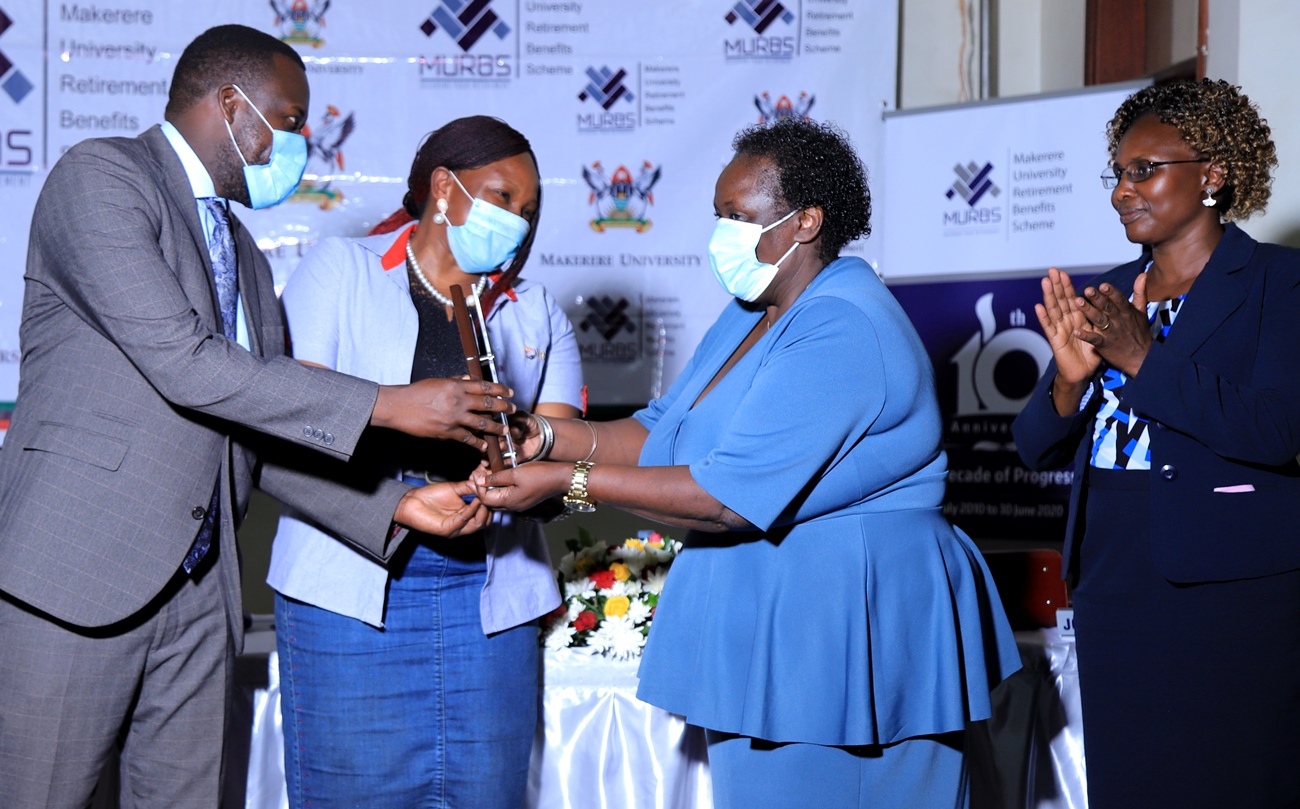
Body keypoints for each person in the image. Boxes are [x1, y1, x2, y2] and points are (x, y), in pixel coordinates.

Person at [0, 25, 515, 808]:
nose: (302, 143)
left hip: (203, 592)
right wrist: (390, 404)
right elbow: (184, 363)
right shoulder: (102, 177)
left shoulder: (244, 250)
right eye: (292, 119)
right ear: (232, 105)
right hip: (76, 581)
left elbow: (255, 426)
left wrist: (395, 502)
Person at [472, 118, 1021, 807]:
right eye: (717, 215)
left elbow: (725, 496)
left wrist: (567, 483)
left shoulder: (844, 324)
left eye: (739, 216)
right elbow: (662, 433)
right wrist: (545, 440)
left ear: (806, 222)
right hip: (773, 619)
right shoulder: (753, 309)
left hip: (843, 631)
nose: (721, 233)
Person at [267, 116, 582, 808]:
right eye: (501, 198)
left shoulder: (535, 312)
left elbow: (570, 469)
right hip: (349, 591)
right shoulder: (340, 270)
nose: (517, 223)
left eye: (528, 212)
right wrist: (398, 428)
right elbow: (287, 430)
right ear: (444, 187)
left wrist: (525, 470)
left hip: (491, 600)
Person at [1013, 79, 1300, 807]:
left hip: (1225, 588)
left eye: (1145, 170)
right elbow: (1034, 446)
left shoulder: (1276, 282)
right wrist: (1070, 385)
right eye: (1117, 172)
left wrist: (1144, 359)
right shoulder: (1110, 291)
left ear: (1213, 174)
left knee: (1226, 782)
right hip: (1113, 579)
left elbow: (1276, 428)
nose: (1122, 191)